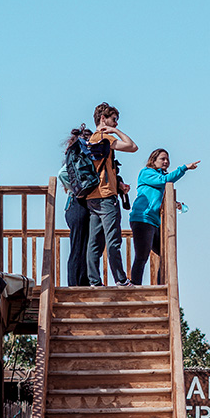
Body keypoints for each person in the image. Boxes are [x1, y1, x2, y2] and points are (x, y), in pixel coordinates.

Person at [85, 102, 138, 286]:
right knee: (113, 240)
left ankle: (94, 281)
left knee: (94, 242)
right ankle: (121, 280)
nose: (116, 123)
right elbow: (132, 146)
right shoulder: (105, 138)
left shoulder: (90, 139)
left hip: (92, 196)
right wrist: (115, 131)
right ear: (103, 119)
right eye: (114, 119)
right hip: (106, 196)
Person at [129, 149, 199, 285]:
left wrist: (174, 203)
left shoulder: (159, 177)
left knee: (165, 252)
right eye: (162, 159)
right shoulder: (146, 173)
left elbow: (157, 197)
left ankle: (161, 284)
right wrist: (184, 168)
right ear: (153, 160)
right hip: (142, 219)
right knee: (142, 256)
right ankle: (135, 285)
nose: (166, 161)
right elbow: (164, 180)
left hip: (154, 221)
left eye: (167, 159)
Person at [59, 125, 92, 286]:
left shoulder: (79, 158)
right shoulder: (77, 158)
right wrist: (78, 190)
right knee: (78, 245)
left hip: (81, 205)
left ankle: (83, 281)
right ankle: (74, 284)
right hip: (77, 204)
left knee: (86, 244)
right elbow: (62, 174)